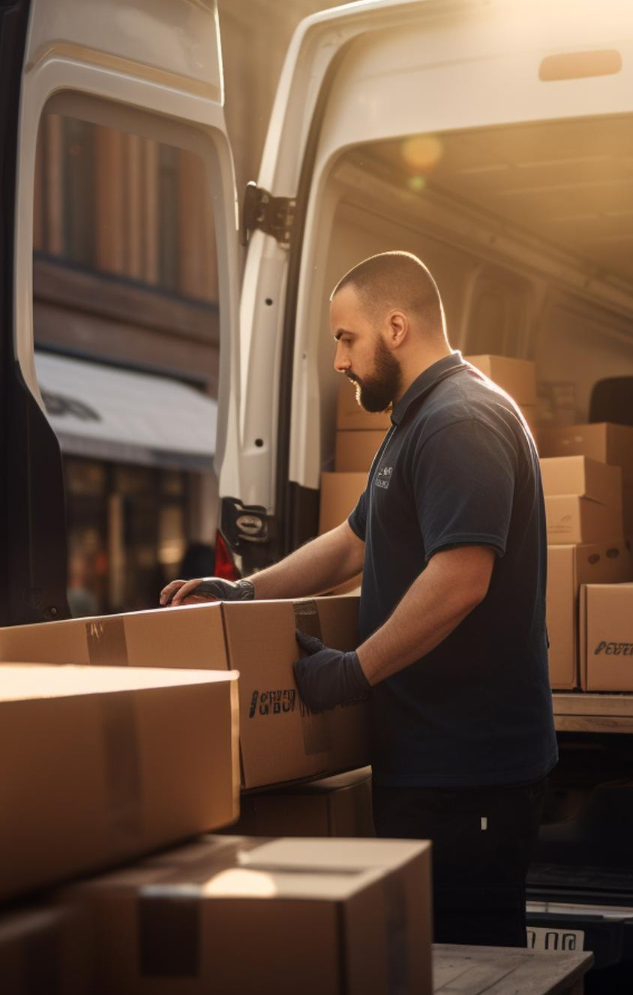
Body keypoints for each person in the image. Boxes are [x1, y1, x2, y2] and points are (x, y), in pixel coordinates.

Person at [159, 250, 555, 946]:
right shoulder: (418, 418)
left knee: (467, 974)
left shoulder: (459, 422)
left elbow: (461, 578)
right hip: (429, 764)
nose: (338, 360)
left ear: (396, 327)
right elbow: (351, 542)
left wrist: (353, 670)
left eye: (346, 338)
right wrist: (245, 591)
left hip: (469, 774)